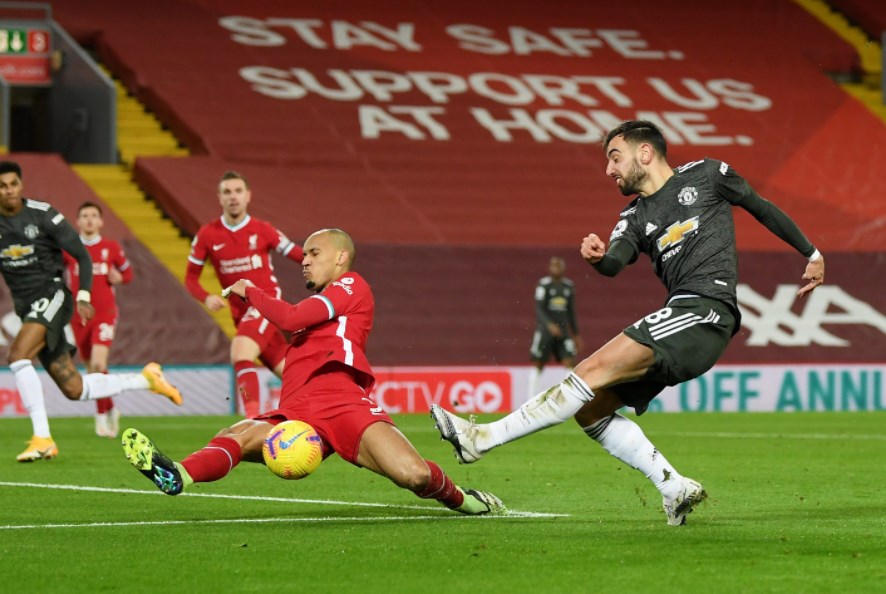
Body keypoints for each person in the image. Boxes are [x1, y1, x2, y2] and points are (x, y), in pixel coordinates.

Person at [431, 120, 825, 525]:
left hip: (705, 310)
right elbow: (616, 261)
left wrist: (811, 254)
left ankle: (482, 439)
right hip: (684, 317)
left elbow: (760, 207)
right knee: (592, 410)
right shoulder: (634, 216)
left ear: (645, 153)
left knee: (590, 371)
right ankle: (672, 485)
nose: (609, 170)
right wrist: (600, 259)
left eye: (614, 157)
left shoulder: (708, 175)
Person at [124, 228, 505, 515]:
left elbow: (289, 316)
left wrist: (250, 290)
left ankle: (466, 502)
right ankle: (178, 474)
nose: (304, 260)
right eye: (303, 254)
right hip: (297, 407)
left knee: (413, 476)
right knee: (236, 434)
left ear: (341, 257)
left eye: (313, 253)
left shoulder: (352, 285)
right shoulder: (319, 305)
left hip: (341, 399)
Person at [0, 161, 183, 462]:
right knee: (74, 387)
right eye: (3, 186)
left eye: (13, 184)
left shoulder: (41, 214)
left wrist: (83, 295)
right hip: (27, 308)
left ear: (20, 185)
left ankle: (42, 438)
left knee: (18, 355)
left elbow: (82, 256)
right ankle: (145, 380)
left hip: (52, 296)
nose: (9, 190)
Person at [185, 171, 303, 417]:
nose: (233, 197)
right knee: (293, 373)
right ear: (219, 197)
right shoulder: (207, 235)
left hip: (264, 303)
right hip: (240, 314)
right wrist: (206, 297)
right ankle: (334, 404)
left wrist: (324, 262)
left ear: (248, 196)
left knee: (240, 353)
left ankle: (252, 419)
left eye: (238, 191)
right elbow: (190, 278)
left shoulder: (263, 230)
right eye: (227, 192)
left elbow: (296, 254)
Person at [64, 201, 134, 438]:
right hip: (78, 316)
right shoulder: (70, 249)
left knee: (97, 363)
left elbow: (128, 273)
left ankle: (101, 417)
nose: (90, 220)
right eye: (85, 216)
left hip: (105, 313)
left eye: (94, 215)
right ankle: (111, 407)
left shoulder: (111, 247)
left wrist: (119, 278)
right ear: (78, 221)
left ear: (101, 221)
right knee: (92, 368)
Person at [527, 256, 583, 401]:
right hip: (545, 332)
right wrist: (549, 325)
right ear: (550, 268)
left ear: (563, 268)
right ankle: (530, 400)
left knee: (570, 362)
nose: (556, 268)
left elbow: (571, 311)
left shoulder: (568, 286)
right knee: (538, 363)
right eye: (554, 266)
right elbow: (539, 309)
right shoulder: (544, 285)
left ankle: (569, 399)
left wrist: (576, 334)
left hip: (563, 332)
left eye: (559, 266)